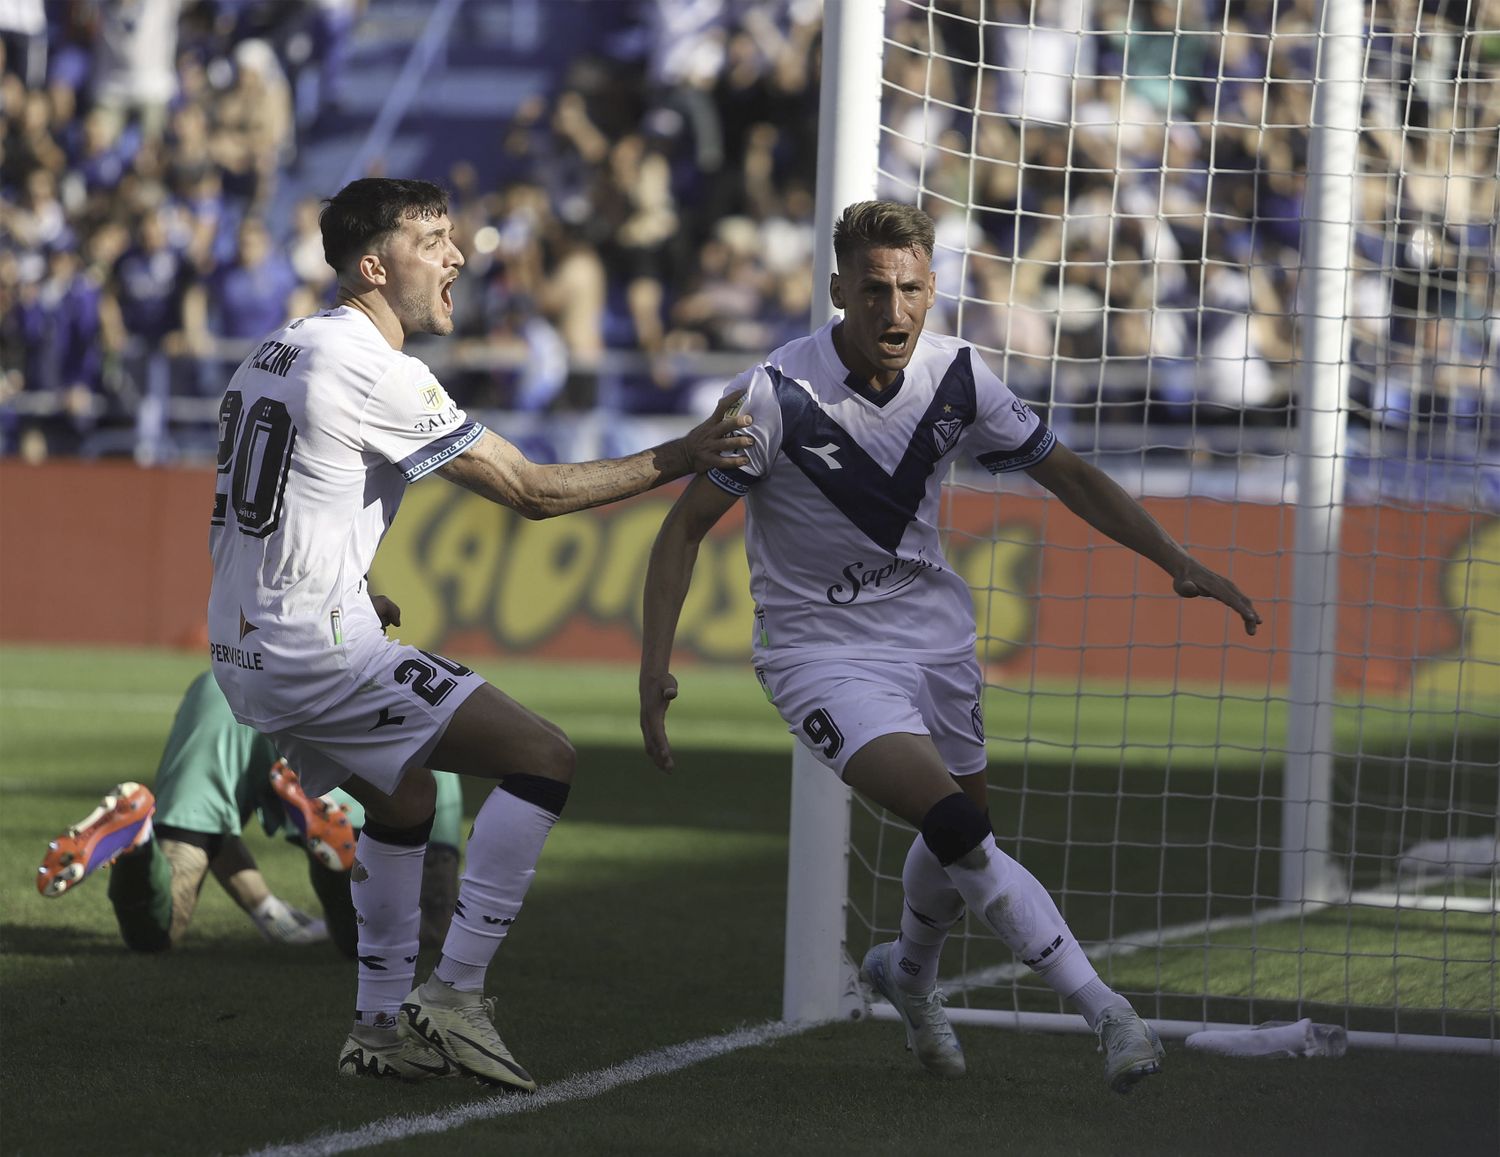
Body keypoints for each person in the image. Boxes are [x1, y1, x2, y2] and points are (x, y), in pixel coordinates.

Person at [638, 200, 1261, 1093]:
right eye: (875, 291)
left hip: (935, 641)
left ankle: (908, 974)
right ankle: (1106, 1013)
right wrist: (654, 663)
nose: (895, 312)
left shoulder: (960, 378)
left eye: (912, 290)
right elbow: (683, 528)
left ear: (933, 289)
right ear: (838, 290)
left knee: (962, 834)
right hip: (819, 655)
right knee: (959, 827)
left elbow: (1071, 474)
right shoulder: (775, 395)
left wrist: (1176, 559)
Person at [205, 176, 752, 1089]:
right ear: (374, 265)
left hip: (247, 646)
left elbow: (254, 507)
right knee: (545, 756)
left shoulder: (276, 349)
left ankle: (377, 1027)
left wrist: (351, 581)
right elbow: (532, 493)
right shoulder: (376, 366)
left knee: (405, 799)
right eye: (433, 239)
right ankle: (454, 995)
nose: (458, 255)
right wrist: (681, 454)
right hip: (314, 649)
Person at [35, 665, 467, 958]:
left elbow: (211, 831)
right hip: (350, 712)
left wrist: (266, 909)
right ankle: (340, 842)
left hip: (225, 689)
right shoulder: (430, 722)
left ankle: (137, 845)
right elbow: (437, 919)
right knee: (397, 934)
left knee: (160, 930)